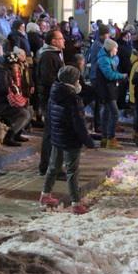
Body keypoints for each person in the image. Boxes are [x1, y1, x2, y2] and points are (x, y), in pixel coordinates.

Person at [39, 66, 95, 213]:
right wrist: (88, 141)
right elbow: (79, 124)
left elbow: (50, 116)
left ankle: (45, 194)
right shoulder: (73, 99)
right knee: (72, 171)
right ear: (73, 81)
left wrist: (52, 134)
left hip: (57, 136)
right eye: (77, 80)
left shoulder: (54, 93)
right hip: (71, 139)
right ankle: (76, 203)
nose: (79, 83)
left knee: (53, 167)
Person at [0, 52, 32, 146]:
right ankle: (9, 137)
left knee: (28, 109)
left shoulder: (5, 71)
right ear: (9, 65)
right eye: (14, 65)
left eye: (17, 65)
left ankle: (17, 133)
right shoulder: (0, 72)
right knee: (24, 114)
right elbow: (4, 89)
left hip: (3, 101)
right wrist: (14, 86)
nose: (16, 67)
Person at [36, 30, 65, 175]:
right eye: (61, 38)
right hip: (51, 99)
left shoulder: (54, 54)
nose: (63, 40)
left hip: (54, 98)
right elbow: (49, 79)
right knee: (52, 134)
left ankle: (51, 165)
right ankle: (48, 166)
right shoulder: (48, 56)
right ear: (53, 41)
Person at [95, 38, 127, 148]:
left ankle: (104, 139)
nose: (117, 50)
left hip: (109, 89)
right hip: (107, 90)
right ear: (110, 49)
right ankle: (111, 138)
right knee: (115, 113)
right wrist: (122, 76)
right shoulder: (104, 60)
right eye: (115, 48)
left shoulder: (109, 58)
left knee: (106, 113)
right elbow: (109, 75)